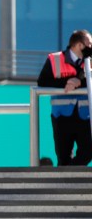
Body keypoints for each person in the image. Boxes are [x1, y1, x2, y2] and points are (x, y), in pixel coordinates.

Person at [37, 29, 92, 166]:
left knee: (88, 152)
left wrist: (79, 82)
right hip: (61, 115)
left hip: (86, 115)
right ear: (80, 45)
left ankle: (69, 174)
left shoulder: (90, 60)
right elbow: (42, 82)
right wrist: (67, 82)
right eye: (89, 44)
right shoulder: (54, 59)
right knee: (63, 155)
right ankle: (66, 181)